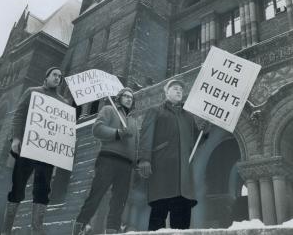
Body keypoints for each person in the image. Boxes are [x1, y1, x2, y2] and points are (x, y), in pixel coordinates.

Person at [1, 67, 67, 235]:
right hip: (28, 148)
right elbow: (19, 115)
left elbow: (63, 129)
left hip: (48, 153)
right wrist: (16, 138)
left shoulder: (63, 102)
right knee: (18, 186)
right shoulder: (32, 92)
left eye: (60, 76)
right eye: (54, 75)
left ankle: (37, 228)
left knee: (43, 189)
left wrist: (62, 154)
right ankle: (6, 230)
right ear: (46, 77)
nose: (58, 78)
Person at [138, 79, 206, 231]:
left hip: (183, 174)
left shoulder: (188, 116)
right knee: (159, 213)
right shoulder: (155, 111)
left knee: (182, 218)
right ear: (166, 92)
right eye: (175, 88)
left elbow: (196, 141)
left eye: (181, 90)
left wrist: (205, 131)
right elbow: (146, 136)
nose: (179, 91)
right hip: (163, 169)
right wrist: (144, 159)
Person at [73, 88, 138, 235]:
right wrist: (117, 133)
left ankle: (112, 230)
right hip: (108, 158)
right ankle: (80, 226)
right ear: (119, 98)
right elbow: (97, 129)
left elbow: (136, 143)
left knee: (119, 200)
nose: (129, 99)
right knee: (97, 194)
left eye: (131, 97)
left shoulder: (133, 120)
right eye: (126, 96)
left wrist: (136, 160)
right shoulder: (109, 110)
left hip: (126, 164)